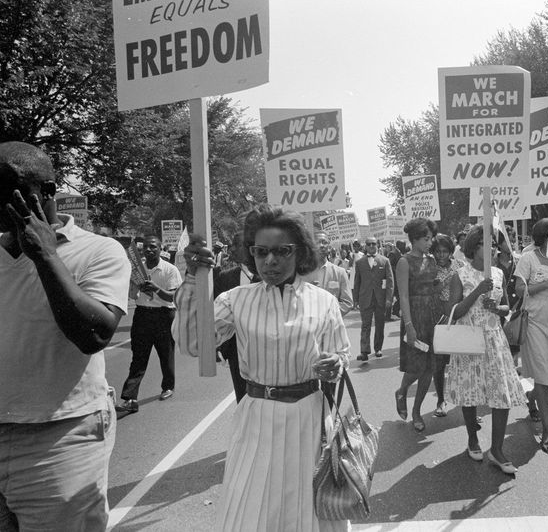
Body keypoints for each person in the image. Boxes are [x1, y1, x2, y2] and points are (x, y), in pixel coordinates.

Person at [174, 205, 350, 532]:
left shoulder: (323, 301)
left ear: (300, 252)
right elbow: (193, 344)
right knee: (250, 512)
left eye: (282, 251)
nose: (270, 261)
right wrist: (190, 279)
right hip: (256, 417)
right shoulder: (236, 300)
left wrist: (334, 365)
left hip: (308, 419)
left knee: (309, 514)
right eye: (260, 251)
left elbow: (340, 354)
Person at [0, 141, 131, 530]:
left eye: (7, 190)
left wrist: (45, 255)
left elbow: (93, 334)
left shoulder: (99, 251)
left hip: (61, 439)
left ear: (48, 193)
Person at [447, 226, 527, 473]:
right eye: (486, 243)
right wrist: (477, 293)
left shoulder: (498, 274)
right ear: (474, 247)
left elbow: (507, 310)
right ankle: (472, 438)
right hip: (469, 340)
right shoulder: (460, 275)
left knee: (500, 396)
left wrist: (497, 307)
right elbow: (453, 313)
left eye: (493, 243)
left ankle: (497, 450)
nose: (492, 247)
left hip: (494, 339)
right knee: (470, 393)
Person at [514, 218, 548, 456]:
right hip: (535, 323)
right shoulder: (528, 258)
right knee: (543, 376)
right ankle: (547, 431)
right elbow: (518, 290)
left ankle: (531, 396)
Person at [116, 234, 182, 413]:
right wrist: (135, 287)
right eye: (146, 247)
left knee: (165, 354)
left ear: (160, 249)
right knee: (138, 358)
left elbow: (174, 297)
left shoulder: (170, 270)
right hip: (142, 316)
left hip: (164, 316)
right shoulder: (137, 271)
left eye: (153, 246)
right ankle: (130, 398)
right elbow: (132, 296)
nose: (149, 250)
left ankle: (168, 386)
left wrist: (155, 289)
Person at [395, 218, 438, 432]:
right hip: (415, 317)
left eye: (431, 238)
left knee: (430, 367)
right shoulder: (404, 262)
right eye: (426, 239)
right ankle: (402, 391)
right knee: (415, 367)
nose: (430, 243)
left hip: (432, 319)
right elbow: (403, 296)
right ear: (414, 239)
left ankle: (417, 411)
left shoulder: (432, 261)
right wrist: (409, 325)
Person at [213, 232, 258, 403]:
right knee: (243, 399)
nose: (231, 249)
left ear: (249, 248)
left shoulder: (271, 277)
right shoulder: (225, 277)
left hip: (267, 347)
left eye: (235, 245)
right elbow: (214, 316)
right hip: (236, 350)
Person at [430, 234, 463, 417]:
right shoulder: (430, 268)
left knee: (460, 361)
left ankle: (464, 402)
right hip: (439, 318)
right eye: (438, 252)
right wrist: (441, 284)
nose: (441, 255)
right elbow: (428, 291)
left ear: (451, 252)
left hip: (459, 316)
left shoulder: (460, 266)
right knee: (439, 363)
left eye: (445, 251)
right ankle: (441, 400)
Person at [353, 236, 394, 361]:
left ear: (377, 245)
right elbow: (357, 282)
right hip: (365, 298)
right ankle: (364, 351)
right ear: (365, 246)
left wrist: (389, 298)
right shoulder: (359, 262)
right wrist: (355, 299)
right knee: (365, 325)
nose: (371, 246)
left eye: (373, 244)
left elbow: (390, 281)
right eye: (369, 244)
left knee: (380, 324)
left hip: (380, 298)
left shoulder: (385, 261)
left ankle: (378, 348)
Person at [301, 232, 353, 316]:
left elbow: (347, 303)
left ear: (329, 247)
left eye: (324, 242)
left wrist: (328, 315)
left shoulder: (340, 273)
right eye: (317, 242)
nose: (321, 245)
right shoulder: (302, 273)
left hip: (332, 324)